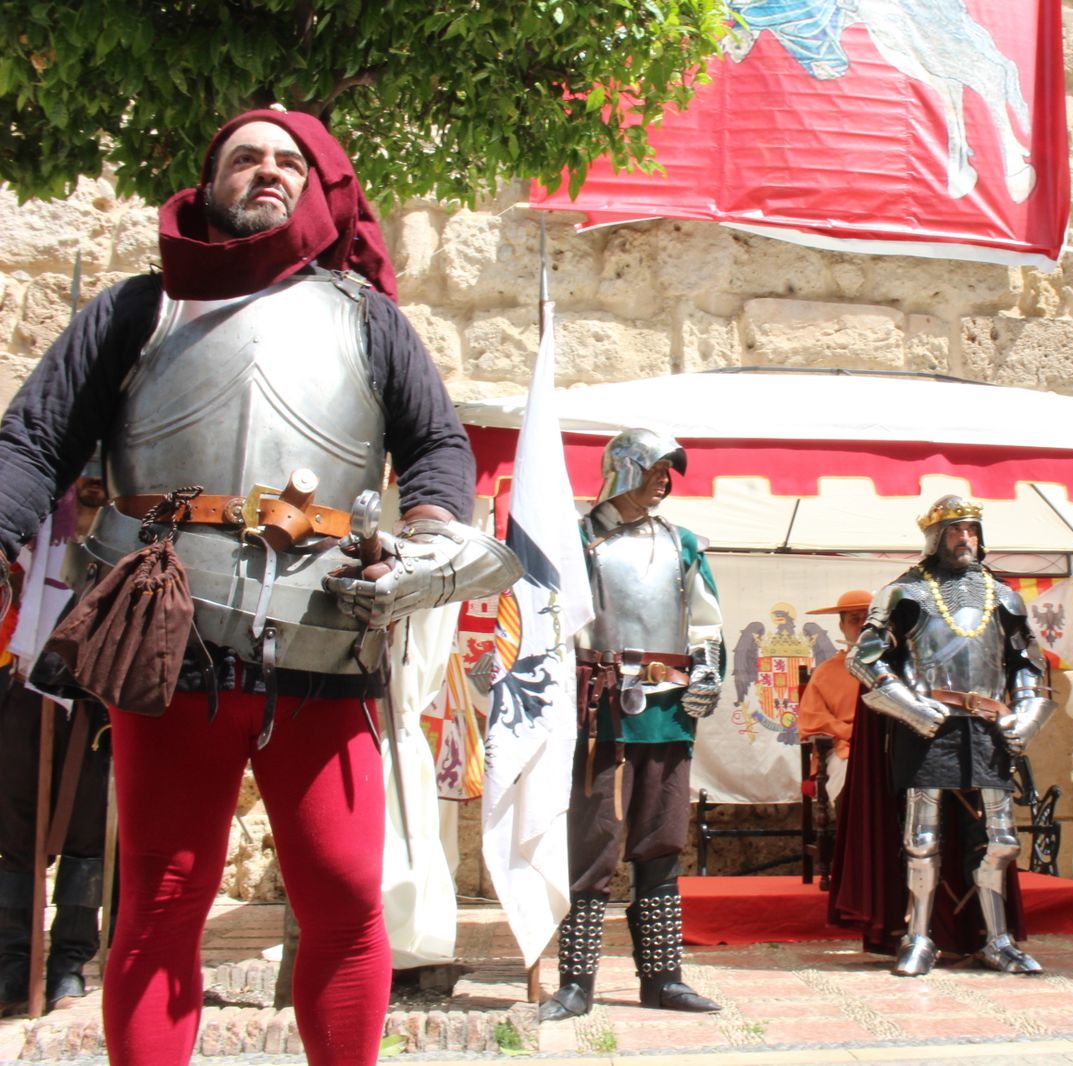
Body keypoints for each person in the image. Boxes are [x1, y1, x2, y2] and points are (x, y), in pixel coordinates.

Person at [0, 108, 518, 1063]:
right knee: (160, 898)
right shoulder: (135, 311)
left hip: (329, 641)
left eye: (291, 162)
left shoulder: (369, 319)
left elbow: (438, 447)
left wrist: (432, 535)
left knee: (345, 900)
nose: (268, 173)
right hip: (170, 644)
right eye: (246, 159)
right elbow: (33, 442)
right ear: (210, 183)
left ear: (318, 190)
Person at [540, 429, 724, 1022]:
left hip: (668, 712)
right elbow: (549, 623)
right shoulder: (576, 542)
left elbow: (706, 625)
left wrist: (708, 675)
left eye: (669, 473)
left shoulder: (683, 544)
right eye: (655, 471)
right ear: (626, 470)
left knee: (662, 842)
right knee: (594, 844)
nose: (664, 483)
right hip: (603, 710)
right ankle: (576, 983)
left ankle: (664, 979)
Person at [844, 495, 1055, 976]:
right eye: (955, 531)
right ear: (936, 538)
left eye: (972, 530)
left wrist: (1025, 718)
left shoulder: (1004, 597)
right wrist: (911, 708)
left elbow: (1029, 666)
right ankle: (919, 937)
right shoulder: (904, 593)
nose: (965, 539)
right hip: (929, 728)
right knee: (922, 838)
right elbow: (865, 659)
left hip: (988, 727)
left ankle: (997, 939)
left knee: (1001, 840)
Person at [0, 480, 113, 1018]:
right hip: (23, 679)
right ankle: (13, 964)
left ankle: (69, 961)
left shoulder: (136, 511)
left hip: (100, 693)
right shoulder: (33, 504)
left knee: (89, 830)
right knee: (16, 824)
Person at [798, 589, 871, 805]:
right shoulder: (826, 672)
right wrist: (855, 734)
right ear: (842, 626)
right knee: (849, 769)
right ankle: (853, 837)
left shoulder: (896, 667)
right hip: (844, 750)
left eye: (868, 618)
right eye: (854, 620)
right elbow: (814, 720)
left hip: (889, 751)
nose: (862, 624)